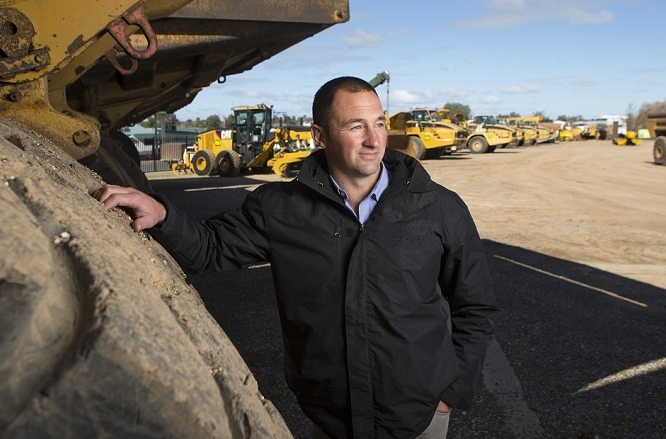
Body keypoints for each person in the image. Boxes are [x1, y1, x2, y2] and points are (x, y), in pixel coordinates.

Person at [96, 76, 498, 439]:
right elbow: (210, 248)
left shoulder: (439, 207)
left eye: (378, 123)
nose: (374, 140)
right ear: (319, 135)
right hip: (332, 418)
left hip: (421, 417)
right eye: (356, 126)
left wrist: (452, 391)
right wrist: (163, 214)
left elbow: (474, 306)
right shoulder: (280, 209)